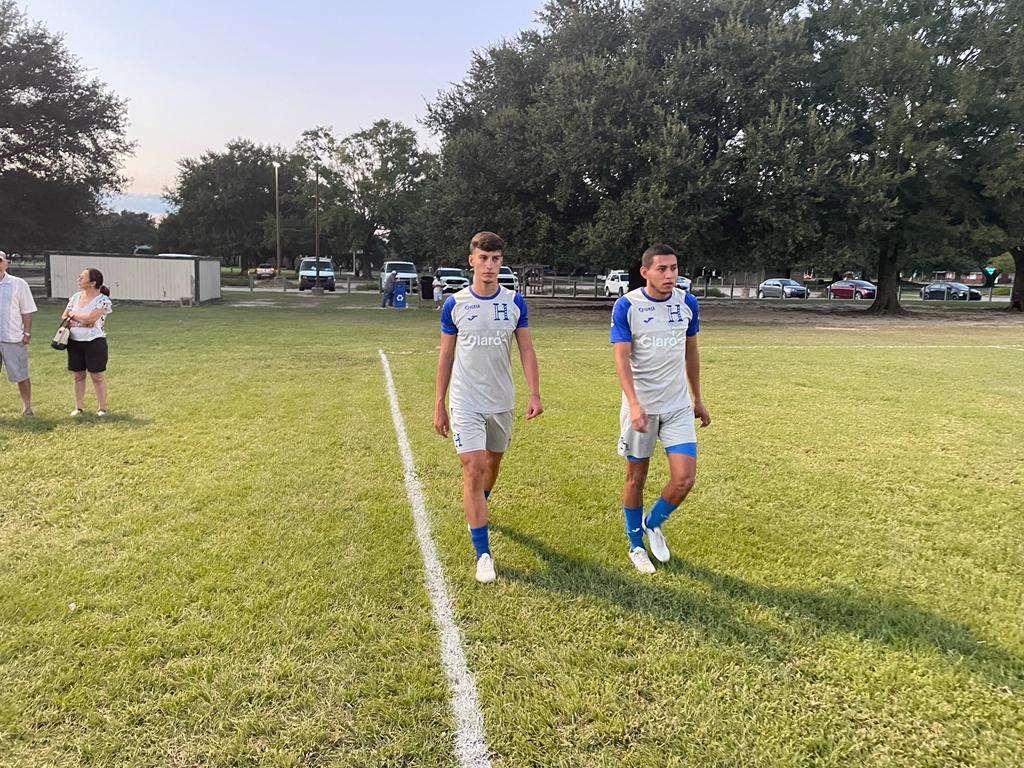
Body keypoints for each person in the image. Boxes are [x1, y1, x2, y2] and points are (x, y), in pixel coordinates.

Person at [434, 232, 543, 583]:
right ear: (472, 261)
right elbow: (446, 355)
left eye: (495, 259)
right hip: (465, 400)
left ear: (501, 262)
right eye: (483, 258)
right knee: (473, 467)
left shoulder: (514, 302)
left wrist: (534, 393)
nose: (489, 266)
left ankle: (479, 502)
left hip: (501, 401)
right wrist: (439, 403)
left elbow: (526, 349)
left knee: (492, 465)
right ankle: (483, 553)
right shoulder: (455, 304)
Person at [610, 244, 711, 574]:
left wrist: (697, 399)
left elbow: (691, 353)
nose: (670, 275)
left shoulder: (687, 303)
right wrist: (634, 404)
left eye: (674, 268)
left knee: (684, 478)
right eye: (662, 269)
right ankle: (635, 545)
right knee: (635, 477)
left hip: (677, 406)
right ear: (645, 272)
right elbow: (621, 358)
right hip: (642, 408)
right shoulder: (627, 306)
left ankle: (652, 523)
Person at [62, 267, 113, 417]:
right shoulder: (75, 297)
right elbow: (65, 316)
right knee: (78, 376)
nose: (79, 279)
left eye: (82, 277)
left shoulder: (103, 300)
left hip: (95, 341)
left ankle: (101, 409)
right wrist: (81, 320)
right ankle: (78, 408)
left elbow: (91, 319)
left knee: (97, 376)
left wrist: (74, 316)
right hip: (74, 341)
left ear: (92, 282)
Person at [0, 250, 38, 416]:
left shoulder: (18, 284)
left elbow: (26, 311)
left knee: (21, 374)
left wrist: (27, 333)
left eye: (0, 261)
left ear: (6, 263)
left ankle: (27, 407)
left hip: (12, 337)